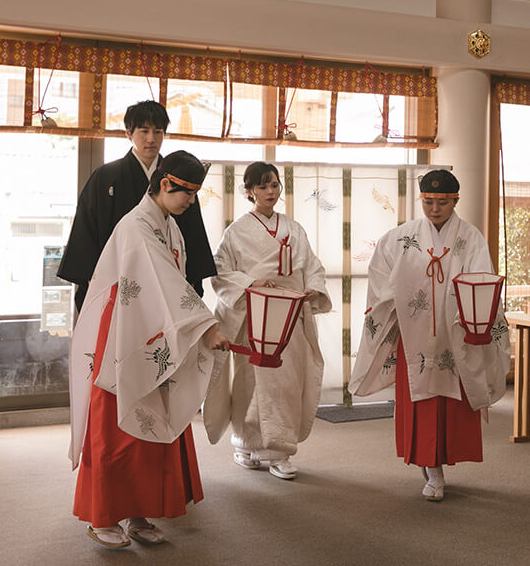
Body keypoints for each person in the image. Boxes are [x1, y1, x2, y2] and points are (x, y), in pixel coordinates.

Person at [69, 151, 231, 549]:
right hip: (126, 329)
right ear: (164, 184)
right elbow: (165, 281)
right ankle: (101, 516)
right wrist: (206, 325)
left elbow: (173, 283)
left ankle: (138, 513)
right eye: (186, 193)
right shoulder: (137, 225)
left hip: (155, 328)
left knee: (153, 423)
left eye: (194, 195)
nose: (190, 202)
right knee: (115, 425)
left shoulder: (168, 225)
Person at [351, 169, 510, 501]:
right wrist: (386, 304)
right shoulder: (400, 237)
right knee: (423, 401)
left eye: (442, 202)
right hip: (416, 335)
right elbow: (380, 277)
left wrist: (478, 318)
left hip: (456, 333)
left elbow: (483, 280)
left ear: (455, 201)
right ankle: (432, 469)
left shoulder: (470, 237)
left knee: (451, 403)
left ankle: (440, 463)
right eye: (428, 202)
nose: (434, 209)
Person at [203, 162, 331, 480]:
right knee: (250, 381)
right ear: (249, 191)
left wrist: (314, 286)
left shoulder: (294, 227)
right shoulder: (236, 231)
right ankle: (246, 444)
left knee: (286, 381)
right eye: (262, 187)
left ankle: (277, 451)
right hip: (255, 314)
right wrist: (251, 283)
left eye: (274, 185)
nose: (270, 192)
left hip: (288, 315)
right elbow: (219, 270)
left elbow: (311, 263)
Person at [58, 100, 216, 312]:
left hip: (168, 284)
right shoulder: (105, 178)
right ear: (128, 133)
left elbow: (192, 230)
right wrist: (90, 277)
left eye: (158, 132)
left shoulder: (178, 178)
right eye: (143, 131)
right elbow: (86, 231)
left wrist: (193, 278)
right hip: (118, 279)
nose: (151, 139)